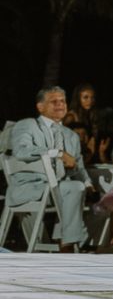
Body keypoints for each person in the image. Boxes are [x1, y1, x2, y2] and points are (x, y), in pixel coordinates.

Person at [9, 86, 96, 252]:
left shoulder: (72, 135)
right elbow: (21, 151)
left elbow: (78, 166)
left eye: (62, 101)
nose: (60, 105)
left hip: (58, 189)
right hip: (30, 187)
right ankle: (68, 245)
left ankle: (64, 239)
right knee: (74, 188)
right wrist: (58, 153)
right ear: (40, 107)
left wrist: (87, 183)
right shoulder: (27, 125)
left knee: (81, 189)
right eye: (54, 101)